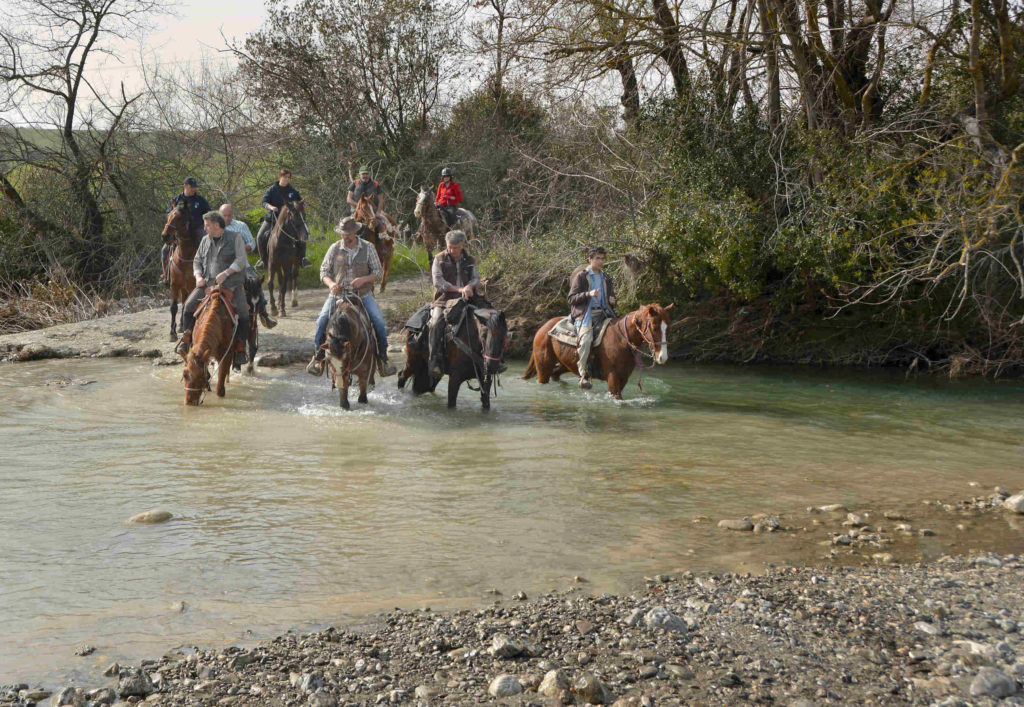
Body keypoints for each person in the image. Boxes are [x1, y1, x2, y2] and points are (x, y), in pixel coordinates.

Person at [305, 216, 396, 378]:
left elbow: (378, 271)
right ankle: (318, 358)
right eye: (343, 233)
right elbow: (323, 271)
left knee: (379, 322)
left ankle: (383, 359)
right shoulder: (334, 248)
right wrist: (332, 284)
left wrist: (363, 280)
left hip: (363, 295)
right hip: (338, 294)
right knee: (321, 321)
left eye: (348, 233)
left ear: (355, 232)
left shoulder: (368, 247)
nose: (345, 236)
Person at [175, 211, 251, 366]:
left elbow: (241, 260)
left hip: (232, 284)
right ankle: (187, 337)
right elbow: (197, 260)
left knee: (244, 312)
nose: (205, 228)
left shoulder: (235, 238)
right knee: (188, 307)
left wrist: (227, 272)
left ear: (216, 225)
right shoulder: (205, 240)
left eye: (207, 225)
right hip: (208, 284)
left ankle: (241, 347)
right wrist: (198, 276)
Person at [428, 230, 479, 379]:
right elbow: (438, 282)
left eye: (456, 247)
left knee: (491, 318)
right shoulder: (439, 259)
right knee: (435, 323)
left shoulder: (470, 259)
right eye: (450, 247)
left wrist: (470, 286)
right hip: (444, 299)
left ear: (462, 245)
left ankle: (492, 358)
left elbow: (476, 278)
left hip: (469, 298)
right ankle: (435, 360)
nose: (452, 250)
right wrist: (459, 289)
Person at [219, 203, 277, 330]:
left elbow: (252, 242)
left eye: (229, 215)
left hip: (242, 266)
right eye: (224, 216)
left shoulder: (240, 226)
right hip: (221, 267)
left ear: (232, 214)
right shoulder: (215, 227)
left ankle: (263, 313)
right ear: (220, 215)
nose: (227, 218)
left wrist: (246, 247)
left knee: (255, 282)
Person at [567, 245, 617, 389]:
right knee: (586, 339)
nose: (600, 261)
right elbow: (571, 298)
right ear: (590, 259)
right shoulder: (581, 276)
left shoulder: (606, 277)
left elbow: (610, 298)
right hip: (585, 314)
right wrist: (588, 294)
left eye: (602, 259)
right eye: (597, 258)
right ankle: (583, 375)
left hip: (604, 313)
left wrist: (613, 301)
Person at [256, 169, 308, 268]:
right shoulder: (272, 189)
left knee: (302, 234)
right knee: (259, 236)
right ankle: (263, 260)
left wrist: (302, 204)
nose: (287, 179)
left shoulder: (293, 191)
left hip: (288, 220)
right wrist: (271, 207)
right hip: (272, 217)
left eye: (288, 177)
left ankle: (303, 259)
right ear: (280, 177)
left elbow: (300, 202)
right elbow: (264, 202)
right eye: (285, 177)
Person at [162, 177, 210, 283]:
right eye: (191, 187)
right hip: (179, 231)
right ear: (185, 186)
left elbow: (208, 214)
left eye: (194, 187)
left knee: (206, 248)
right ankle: (166, 275)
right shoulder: (177, 200)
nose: (193, 189)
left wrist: (206, 226)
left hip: (197, 229)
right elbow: (169, 214)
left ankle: (208, 274)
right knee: (164, 250)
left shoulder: (200, 200)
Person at [346, 165, 388, 233]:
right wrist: (360, 206)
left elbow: (381, 200)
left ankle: (384, 240)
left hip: (372, 211)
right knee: (346, 226)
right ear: (360, 174)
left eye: (367, 174)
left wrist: (378, 212)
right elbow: (348, 199)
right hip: (356, 211)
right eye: (363, 174)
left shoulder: (376, 184)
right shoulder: (354, 184)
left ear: (370, 174)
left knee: (383, 225)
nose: (365, 176)